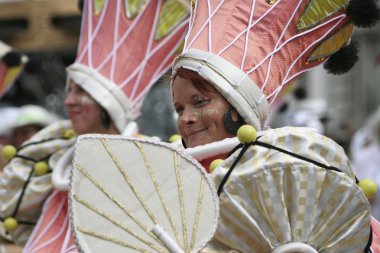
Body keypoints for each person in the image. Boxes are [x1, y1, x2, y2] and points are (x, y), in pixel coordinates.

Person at [169, 0, 380, 251]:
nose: (185, 119)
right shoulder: (169, 184)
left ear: (238, 109)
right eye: (179, 108)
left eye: (200, 102)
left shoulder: (293, 173)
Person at [0, 0, 189, 252]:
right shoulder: (54, 155)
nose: (68, 101)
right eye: (69, 90)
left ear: (108, 104)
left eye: (80, 92)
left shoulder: (149, 162)